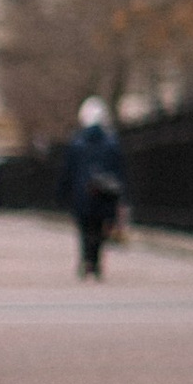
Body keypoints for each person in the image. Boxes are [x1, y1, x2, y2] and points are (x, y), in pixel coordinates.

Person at [57, 102, 128, 279]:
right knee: (100, 227)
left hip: (82, 192)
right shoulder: (111, 143)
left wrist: (62, 193)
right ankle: (95, 262)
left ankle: (87, 259)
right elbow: (119, 171)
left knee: (85, 228)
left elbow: (68, 171)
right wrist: (123, 194)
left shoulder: (76, 143)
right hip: (105, 192)